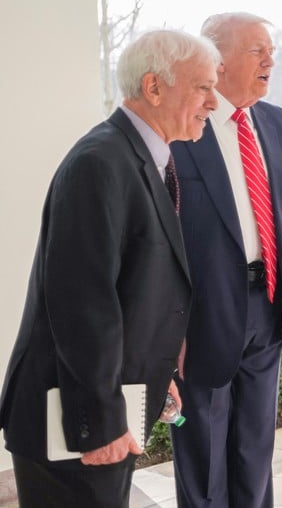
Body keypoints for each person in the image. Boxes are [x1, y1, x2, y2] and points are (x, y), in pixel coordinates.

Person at [0, 29, 220, 508]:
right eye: (202, 86)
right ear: (154, 87)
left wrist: (153, 387)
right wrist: (99, 423)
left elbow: (131, 292)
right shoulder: (100, 162)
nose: (214, 102)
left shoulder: (137, 155)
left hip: (103, 405)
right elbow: (83, 307)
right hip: (72, 423)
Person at [169, 12, 282, 508]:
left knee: (256, 447)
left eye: (270, 50)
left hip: (267, 305)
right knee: (203, 454)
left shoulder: (277, 122)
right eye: (257, 49)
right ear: (217, 59)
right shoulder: (180, 129)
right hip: (202, 316)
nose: (270, 60)